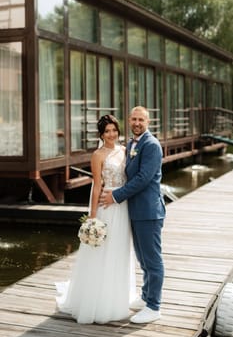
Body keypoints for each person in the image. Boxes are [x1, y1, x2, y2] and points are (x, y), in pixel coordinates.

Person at [55, 114, 136, 324]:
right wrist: (92, 217)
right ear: (101, 134)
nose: (111, 134)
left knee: (120, 250)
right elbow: (97, 185)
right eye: (107, 131)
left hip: (122, 205)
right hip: (105, 206)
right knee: (102, 252)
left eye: (114, 130)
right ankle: (97, 300)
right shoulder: (98, 155)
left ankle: (117, 296)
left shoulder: (126, 151)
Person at [100, 106, 166, 324]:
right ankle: (146, 296)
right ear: (129, 120)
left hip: (149, 212)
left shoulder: (152, 145)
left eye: (141, 119)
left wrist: (115, 196)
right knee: (143, 259)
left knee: (153, 260)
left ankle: (154, 306)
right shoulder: (131, 144)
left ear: (148, 122)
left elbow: (142, 179)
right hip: (135, 211)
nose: (137, 122)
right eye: (134, 119)